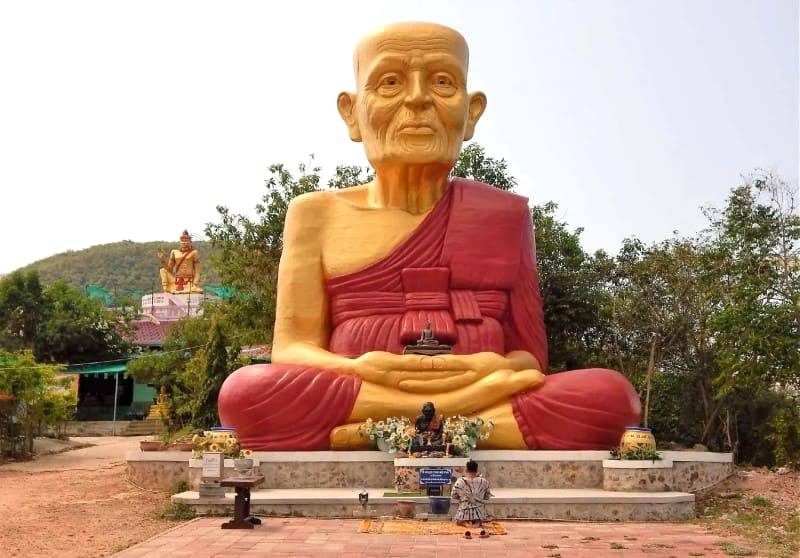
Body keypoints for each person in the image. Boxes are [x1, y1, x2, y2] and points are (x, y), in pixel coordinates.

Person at [217, 22, 641, 451]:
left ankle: (370, 431)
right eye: (389, 82)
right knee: (244, 394)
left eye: (442, 82)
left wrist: (482, 369)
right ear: (352, 112)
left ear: (471, 111)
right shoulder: (316, 214)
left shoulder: (505, 215)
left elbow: (528, 357)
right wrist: (365, 368)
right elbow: (291, 350)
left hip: (468, 388)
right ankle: (471, 428)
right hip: (373, 385)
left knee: (610, 396)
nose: (418, 98)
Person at [452, 459, 491, 527]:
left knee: (455, 519)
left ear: (466, 469)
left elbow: (453, 496)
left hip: (464, 511)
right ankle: (477, 522)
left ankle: (465, 522)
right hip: (479, 512)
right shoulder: (484, 482)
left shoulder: (460, 481)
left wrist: (463, 498)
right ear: (476, 470)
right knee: (479, 513)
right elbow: (487, 497)